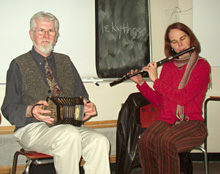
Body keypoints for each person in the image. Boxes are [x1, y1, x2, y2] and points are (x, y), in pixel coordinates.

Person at [1, 11, 110, 174]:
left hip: (67, 126)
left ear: (56, 35)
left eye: (51, 31)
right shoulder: (18, 64)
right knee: (69, 135)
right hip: (31, 128)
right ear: (31, 34)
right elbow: (8, 108)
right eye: (41, 30)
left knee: (100, 141)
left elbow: (82, 97)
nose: (46, 35)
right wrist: (31, 110)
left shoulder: (65, 61)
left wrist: (87, 107)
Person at [129, 22, 210, 174]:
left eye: (183, 38)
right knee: (145, 141)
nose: (180, 45)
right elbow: (160, 101)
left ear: (190, 39)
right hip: (167, 121)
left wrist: (156, 81)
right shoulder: (167, 67)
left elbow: (183, 98)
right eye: (174, 42)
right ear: (171, 46)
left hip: (192, 123)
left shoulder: (202, 66)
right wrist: (141, 83)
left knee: (165, 141)